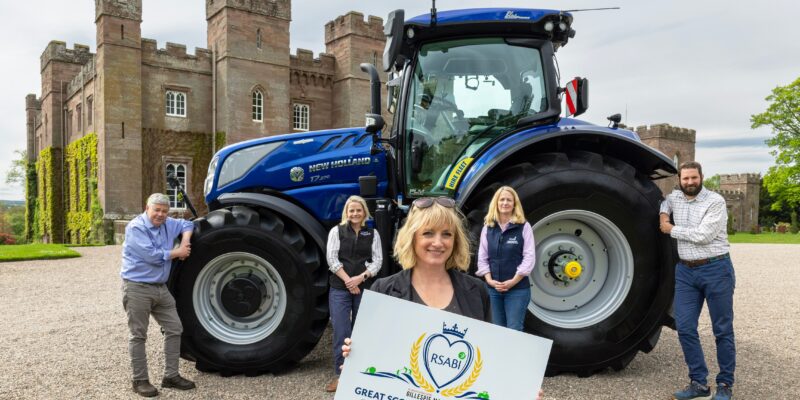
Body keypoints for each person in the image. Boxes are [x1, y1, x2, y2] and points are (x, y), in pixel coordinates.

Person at [342, 197, 543, 400]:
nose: (438, 243)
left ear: (455, 241)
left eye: (447, 234)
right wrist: (355, 357)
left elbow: (493, 357)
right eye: (428, 233)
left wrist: (519, 388)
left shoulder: (477, 291)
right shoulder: (383, 291)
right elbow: (372, 362)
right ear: (412, 237)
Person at [660, 161, 736, 400]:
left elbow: (704, 235)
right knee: (684, 327)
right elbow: (665, 202)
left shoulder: (715, 201)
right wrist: (663, 214)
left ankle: (725, 384)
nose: (690, 182)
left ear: (701, 177)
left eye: (694, 178)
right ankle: (699, 383)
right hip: (685, 272)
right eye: (685, 178)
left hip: (716, 269)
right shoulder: (675, 197)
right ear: (679, 180)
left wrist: (670, 229)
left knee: (722, 329)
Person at [120, 193, 197, 397]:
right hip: (137, 288)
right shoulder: (136, 228)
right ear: (147, 209)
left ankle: (171, 376)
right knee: (138, 335)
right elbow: (152, 256)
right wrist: (178, 253)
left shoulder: (167, 223)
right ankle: (140, 380)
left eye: (164, 211)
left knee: (175, 328)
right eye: (157, 210)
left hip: (161, 288)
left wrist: (185, 242)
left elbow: (187, 224)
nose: (160, 214)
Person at [325, 195, 382, 392]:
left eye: (359, 210)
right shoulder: (337, 231)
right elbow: (332, 259)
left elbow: (378, 261)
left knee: (361, 331)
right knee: (342, 330)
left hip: (363, 286)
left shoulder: (372, 233)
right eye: (352, 210)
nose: (355, 213)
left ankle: (360, 375)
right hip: (340, 288)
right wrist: (349, 281)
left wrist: (360, 278)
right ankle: (341, 376)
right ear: (346, 213)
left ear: (364, 212)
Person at [476, 186, 535, 331]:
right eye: (502, 199)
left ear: (514, 204)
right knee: (496, 330)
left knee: (514, 329)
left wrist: (513, 281)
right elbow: (482, 257)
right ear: (496, 203)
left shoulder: (523, 227)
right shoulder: (488, 228)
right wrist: (489, 280)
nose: (505, 203)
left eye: (509, 200)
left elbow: (529, 257)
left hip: (517, 290)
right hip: (493, 290)